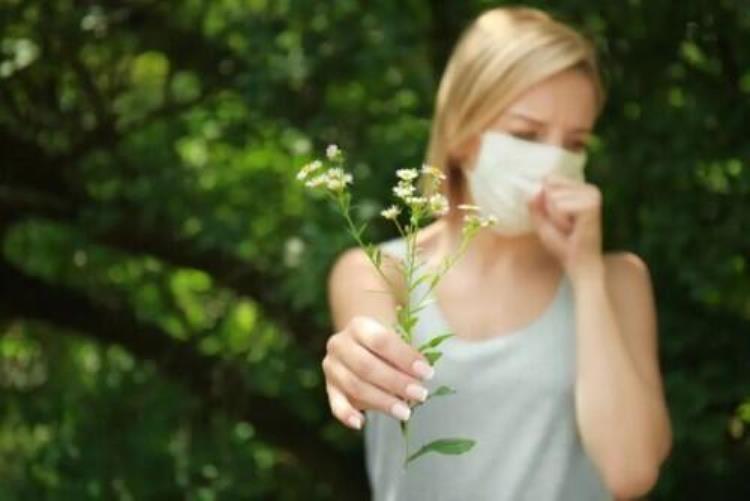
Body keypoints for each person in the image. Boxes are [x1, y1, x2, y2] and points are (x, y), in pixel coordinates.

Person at [322, 5, 672, 501]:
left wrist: (587, 273)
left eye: (574, 142)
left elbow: (630, 472)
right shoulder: (382, 271)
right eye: (526, 135)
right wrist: (350, 360)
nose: (552, 160)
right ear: (464, 135)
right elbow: (365, 359)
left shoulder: (619, 281)